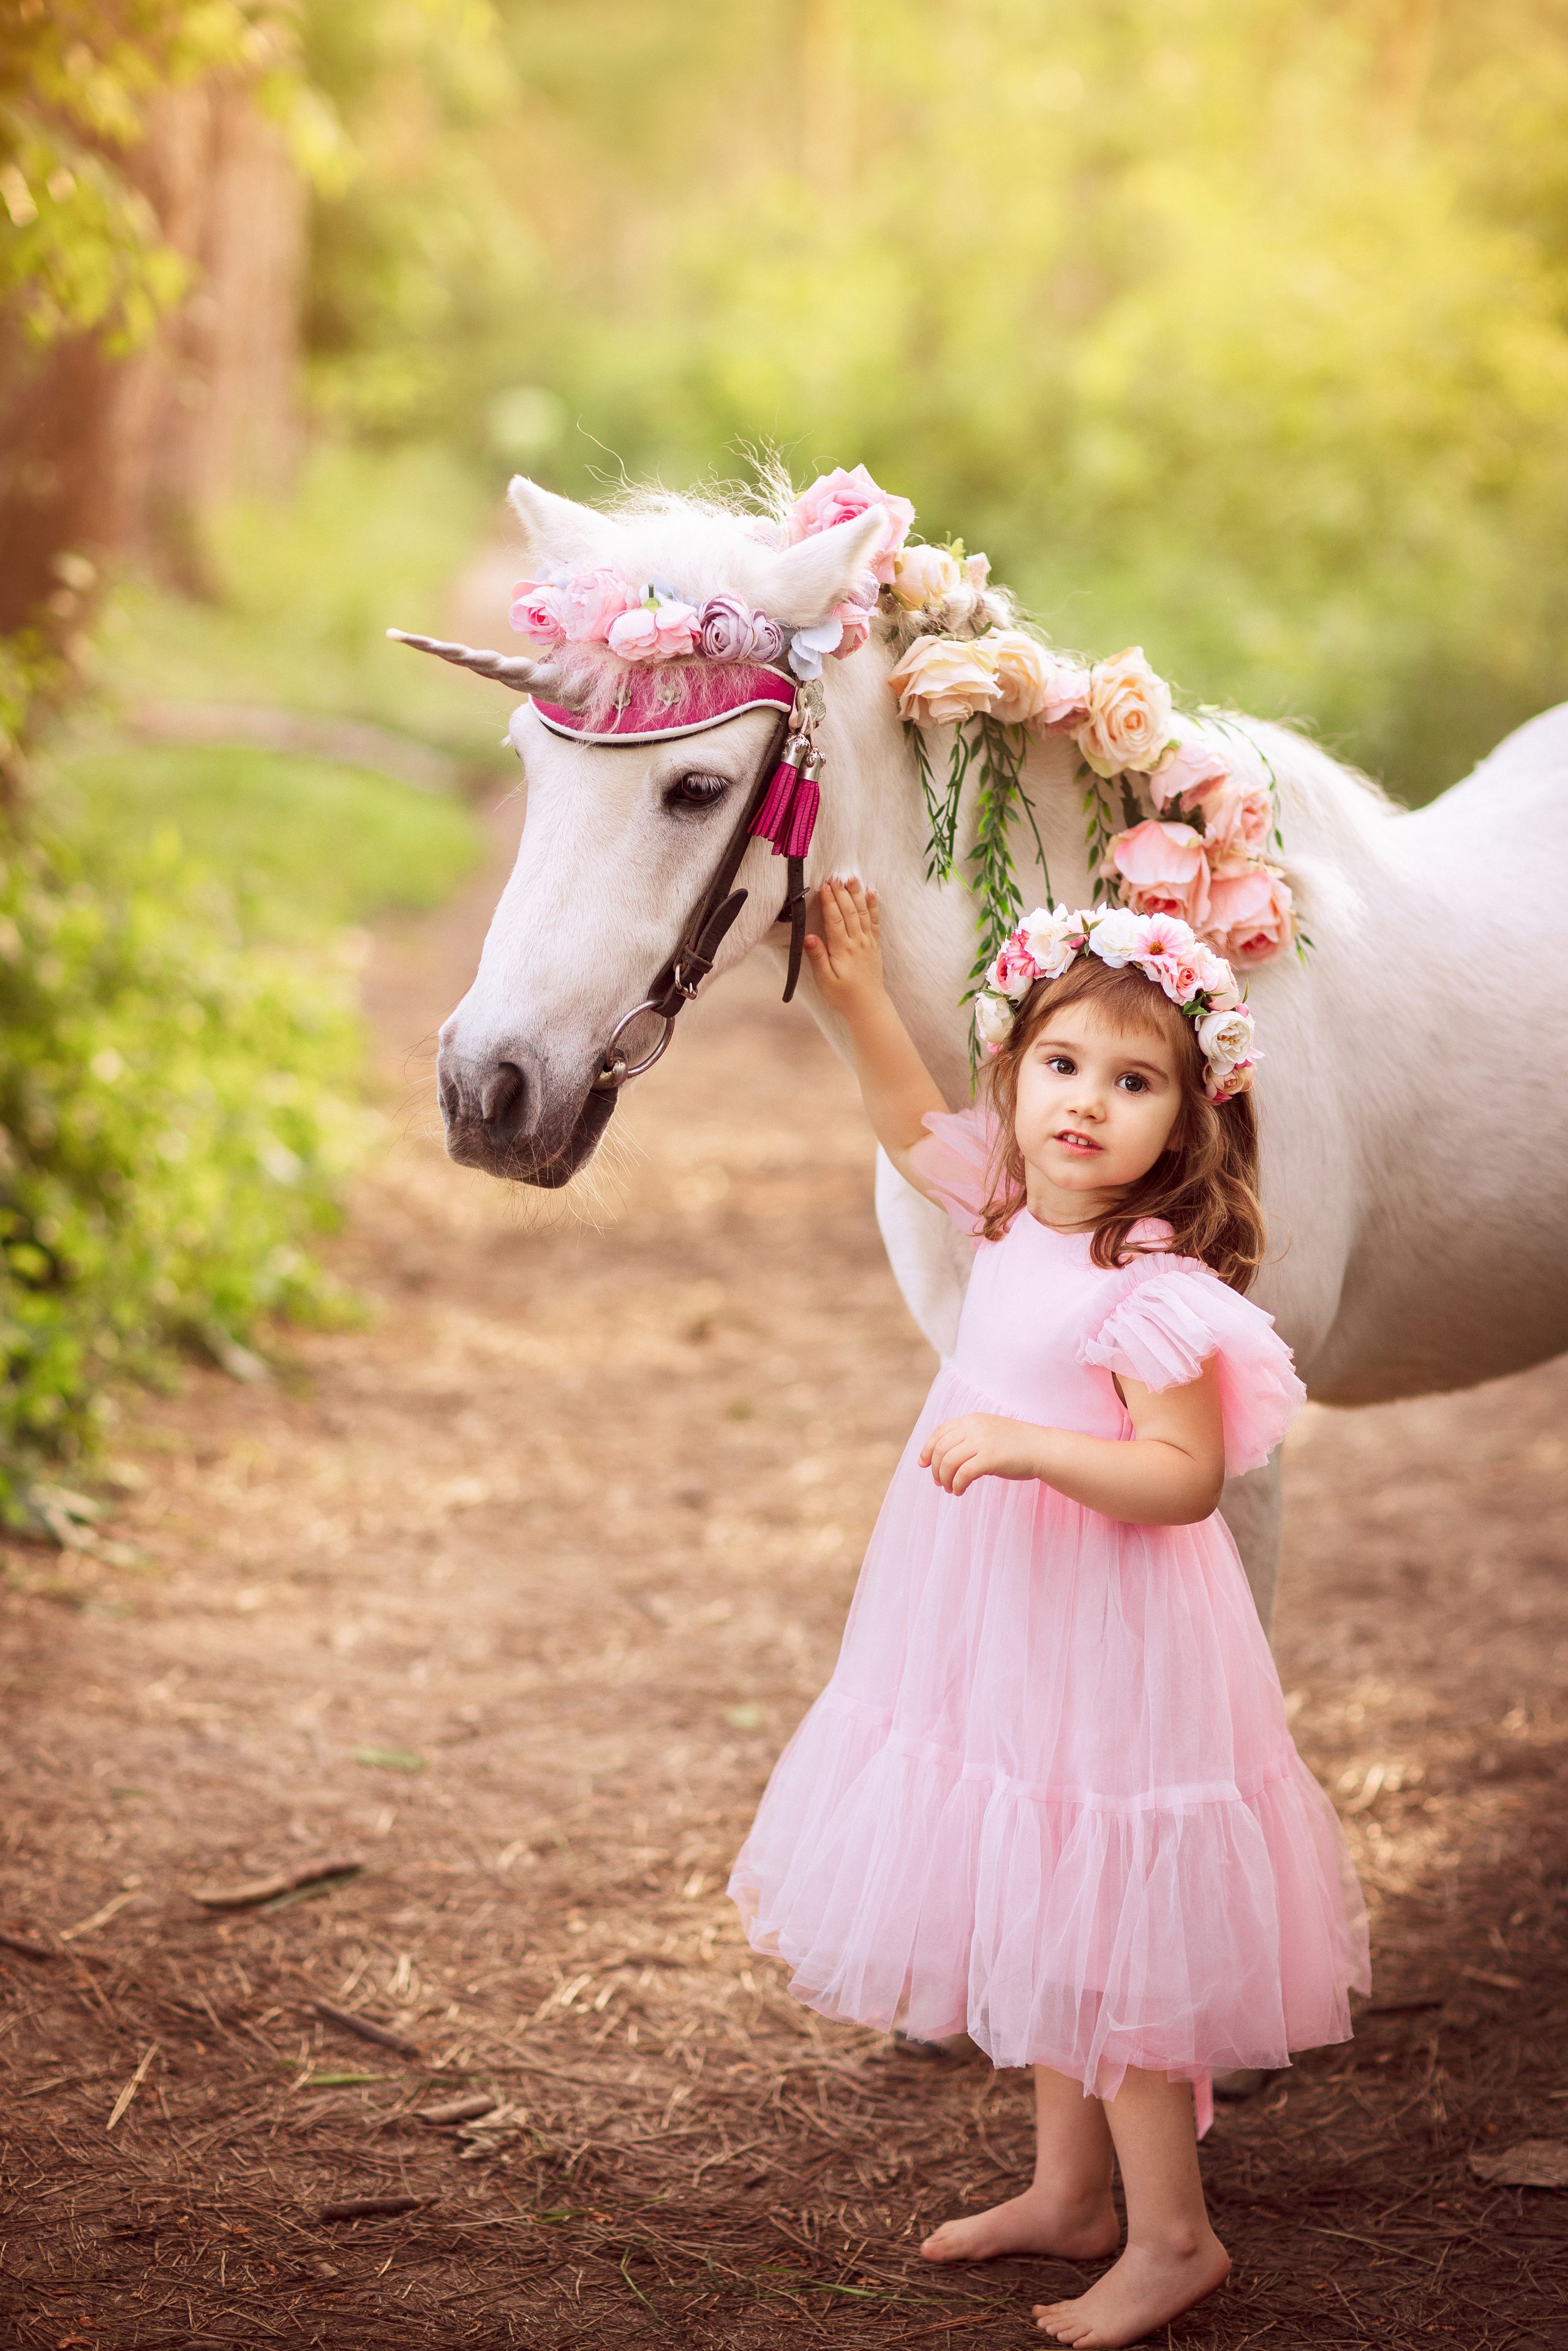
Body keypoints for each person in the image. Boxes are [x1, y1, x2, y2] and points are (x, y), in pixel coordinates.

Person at [728, 881, 1369, 2348]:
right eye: (1061, 1066)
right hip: (1008, 1609)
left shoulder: (1147, 1282)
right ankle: (1068, 2192)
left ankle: (1171, 2235)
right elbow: (903, 1116)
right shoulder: (1006, 1202)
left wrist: (1026, 1445)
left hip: (1115, 1623)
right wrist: (853, 989)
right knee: (1039, 1873)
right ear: (1014, 1083)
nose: (1087, 1102)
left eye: (1133, 1080)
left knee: (1109, 1912)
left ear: (1184, 1123)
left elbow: (1183, 1477)